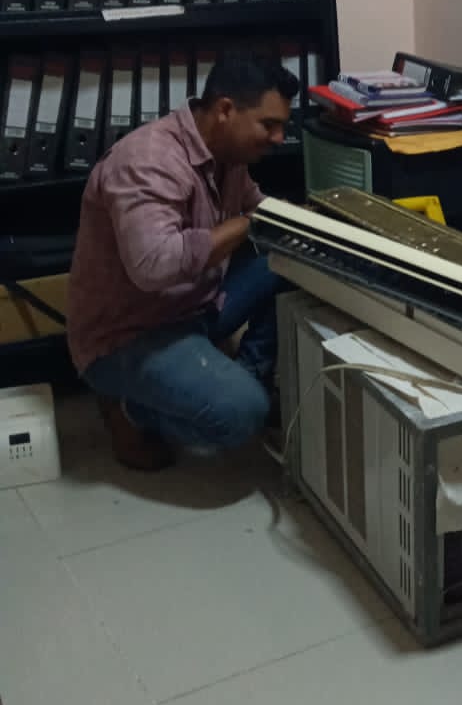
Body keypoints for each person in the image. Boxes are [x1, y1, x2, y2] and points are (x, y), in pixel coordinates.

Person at [67, 52, 299, 470]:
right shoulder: (148, 161)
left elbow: (257, 206)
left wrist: (307, 222)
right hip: (128, 335)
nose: (280, 138)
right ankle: (127, 409)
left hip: (193, 306)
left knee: (292, 258)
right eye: (269, 125)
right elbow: (153, 266)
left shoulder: (228, 155)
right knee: (241, 414)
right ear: (225, 110)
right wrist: (249, 224)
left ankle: (249, 377)